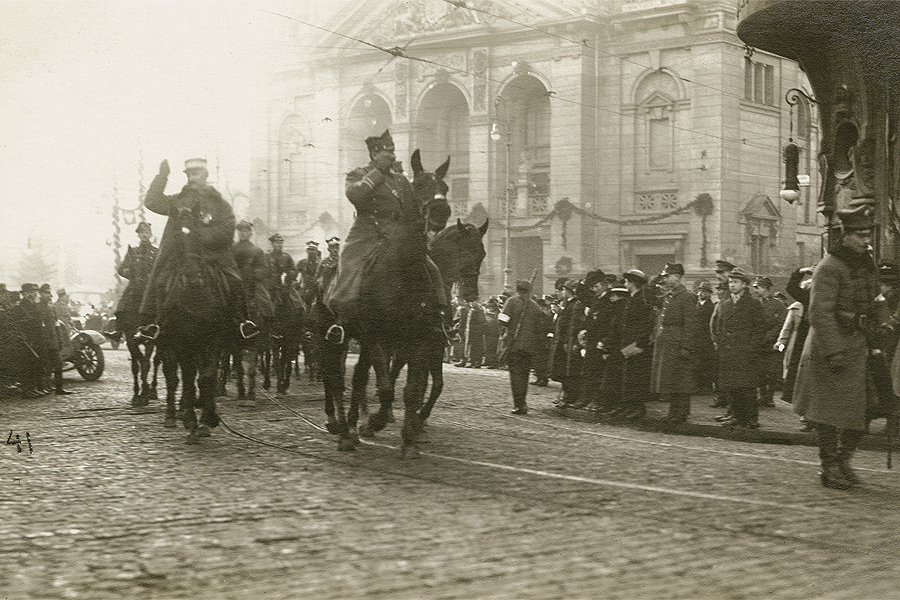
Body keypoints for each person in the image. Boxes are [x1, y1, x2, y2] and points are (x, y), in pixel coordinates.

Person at [323, 129, 447, 342]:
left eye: (393, 151)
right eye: (387, 152)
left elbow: (411, 210)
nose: (392, 156)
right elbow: (356, 195)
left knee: (432, 269)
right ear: (374, 154)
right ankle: (341, 320)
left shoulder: (400, 181)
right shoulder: (358, 174)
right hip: (367, 232)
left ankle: (440, 319)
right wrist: (377, 173)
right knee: (350, 265)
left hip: (398, 234)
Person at [794, 204, 879, 489]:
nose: (866, 240)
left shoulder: (865, 261)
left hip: (859, 344)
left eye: (868, 235)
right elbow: (819, 313)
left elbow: (874, 299)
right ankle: (829, 468)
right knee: (829, 413)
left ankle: (843, 461)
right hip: (832, 348)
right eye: (861, 235)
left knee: (865, 408)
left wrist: (886, 324)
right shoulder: (829, 266)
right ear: (846, 235)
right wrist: (835, 351)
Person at [712, 267, 766, 429]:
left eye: (736, 282)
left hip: (746, 353)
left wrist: (751, 347)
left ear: (744, 284)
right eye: (730, 282)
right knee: (733, 386)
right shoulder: (725, 304)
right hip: (729, 352)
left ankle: (751, 418)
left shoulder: (752, 304)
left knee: (747, 387)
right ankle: (736, 415)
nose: (732, 285)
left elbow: (760, 327)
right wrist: (720, 343)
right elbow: (719, 326)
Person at [650, 263, 697, 423]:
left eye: (668, 276)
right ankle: (673, 411)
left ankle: (681, 412)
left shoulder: (686, 296)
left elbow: (690, 323)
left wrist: (686, 346)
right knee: (671, 378)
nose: (666, 279)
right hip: (668, 342)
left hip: (678, 342)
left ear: (677, 276)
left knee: (681, 380)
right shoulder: (670, 296)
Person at [499, 279, 544, 415]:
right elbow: (539, 326)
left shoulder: (512, 302)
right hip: (530, 347)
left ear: (518, 290)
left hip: (515, 345)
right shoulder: (535, 306)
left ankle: (518, 405)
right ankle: (522, 403)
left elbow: (502, 320)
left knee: (515, 376)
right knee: (524, 375)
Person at [753, 276, 787, 407]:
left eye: (757, 288)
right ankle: (762, 396)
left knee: (772, 372)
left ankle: (770, 397)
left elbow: (781, 324)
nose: (755, 290)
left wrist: (768, 337)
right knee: (760, 371)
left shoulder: (778, 305)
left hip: (773, 344)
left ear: (765, 288)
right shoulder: (756, 304)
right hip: (759, 343)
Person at [12, 283, 46, 398]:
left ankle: (33, 388)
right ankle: (26, 390)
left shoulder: (33, 305)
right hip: (26, 340)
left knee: (34, 365)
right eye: (30, 292)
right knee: (26, 366)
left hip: (35, 339)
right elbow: (22, 323)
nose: (33, 294)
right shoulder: (20, 306)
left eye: (34, 292)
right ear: (24, 293)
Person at [38, 284, 70, 395]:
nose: (48, 295)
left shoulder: (51, 307)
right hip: (43, 341)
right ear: (41, 294)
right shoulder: (38, 307)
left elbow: (57, 324)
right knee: (45, 366)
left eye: (49, 293)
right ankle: (44, 387)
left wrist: (59, 340)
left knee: (58, 364)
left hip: (53, 341)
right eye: (45, 293)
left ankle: (59, 388)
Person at [693, 281, 717, 395]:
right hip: (696, 338)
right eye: (700, 291)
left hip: (706, 338)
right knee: (696, 363)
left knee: (705, 363)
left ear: (709, 294)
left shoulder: (710, 306)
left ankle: (705, 386)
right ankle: (697, 385)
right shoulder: (696, 305)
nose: (700, 293)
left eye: (703, 291)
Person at [296, 240, 322, 306]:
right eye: (309, 250)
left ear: (316, 251)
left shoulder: (321, 264)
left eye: (313, 250)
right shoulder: (302, 263)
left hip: (317, 292)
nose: (311, 252)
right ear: (306, 251)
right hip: (304, 292)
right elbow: (294, 275)